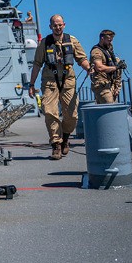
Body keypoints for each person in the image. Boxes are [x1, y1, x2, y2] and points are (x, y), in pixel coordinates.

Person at [28, 15, 91, 160]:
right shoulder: (45, 43)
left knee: (72, 115)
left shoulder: (72, 41)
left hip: (68, 81)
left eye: (60, 25)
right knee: (50, 112)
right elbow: (37, 64)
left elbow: (81, 59)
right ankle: (56, 144)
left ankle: (66, 137)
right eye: (55, 25)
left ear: (64, 25)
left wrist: (88, 68)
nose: (58, 28)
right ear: (50, 27)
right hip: (50, 81)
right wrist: (31, 85)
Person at [90, 30, 126, 104]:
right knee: (110, 106)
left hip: (111, 84)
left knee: (112, 106)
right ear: (102, 38)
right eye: (109, 40)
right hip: (101, 85)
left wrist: (117, 86)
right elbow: (99, 67)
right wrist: (116, 67)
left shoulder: (109, 51)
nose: (110, 42)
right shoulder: (97, 52)